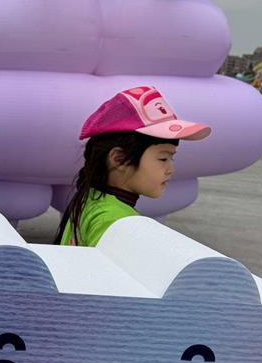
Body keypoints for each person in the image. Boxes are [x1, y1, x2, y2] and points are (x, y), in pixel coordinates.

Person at [54, 86, 211, 247]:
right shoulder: (117, 222)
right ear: (119, 159)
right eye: (163, 158)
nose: (170, 169)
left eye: (172, 158)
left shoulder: (91, 199)